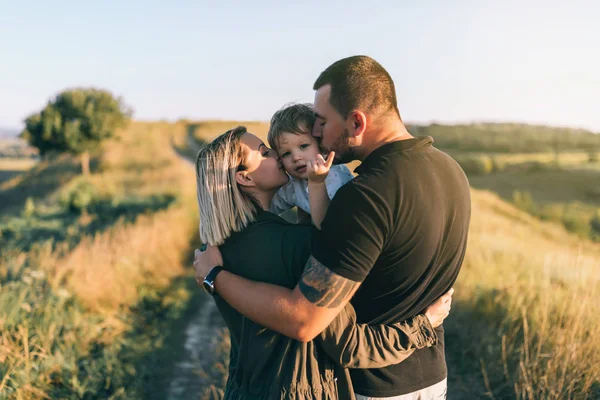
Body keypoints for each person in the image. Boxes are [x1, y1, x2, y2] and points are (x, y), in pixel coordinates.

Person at [195, 56, 471, 399]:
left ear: (356, 122)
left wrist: (214, 277)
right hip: (433, 375)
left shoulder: (363, 196)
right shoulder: (452, 171)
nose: (317, 132)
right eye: (273, 152)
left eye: (322, 123)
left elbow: (308, 320)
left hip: (377, 383)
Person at [267, 103, 354, 228]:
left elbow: (328, 225)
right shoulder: (294, 183)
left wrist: (317, 183)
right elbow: (269, 207)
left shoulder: (335, 177)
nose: (296, 157)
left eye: (303, 146)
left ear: (322, 145)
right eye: (286, 154)